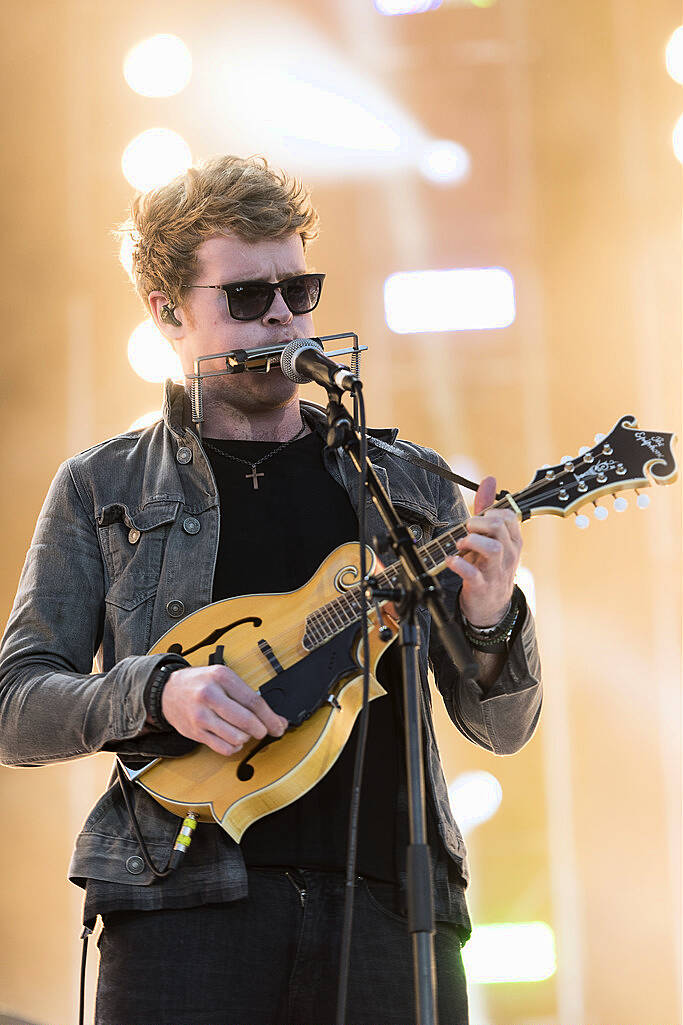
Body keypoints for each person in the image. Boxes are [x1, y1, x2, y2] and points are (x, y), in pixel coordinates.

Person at [0, 155, 542, 1025]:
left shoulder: (405, 486)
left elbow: (502, 727)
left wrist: (489, 620)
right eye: (246, 297)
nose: (283, 314)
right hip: (182, 910)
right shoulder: (103, 486)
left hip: (391, 916)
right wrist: (157, 691)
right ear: (168, 312)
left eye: (298, 288)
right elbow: (16, 706)